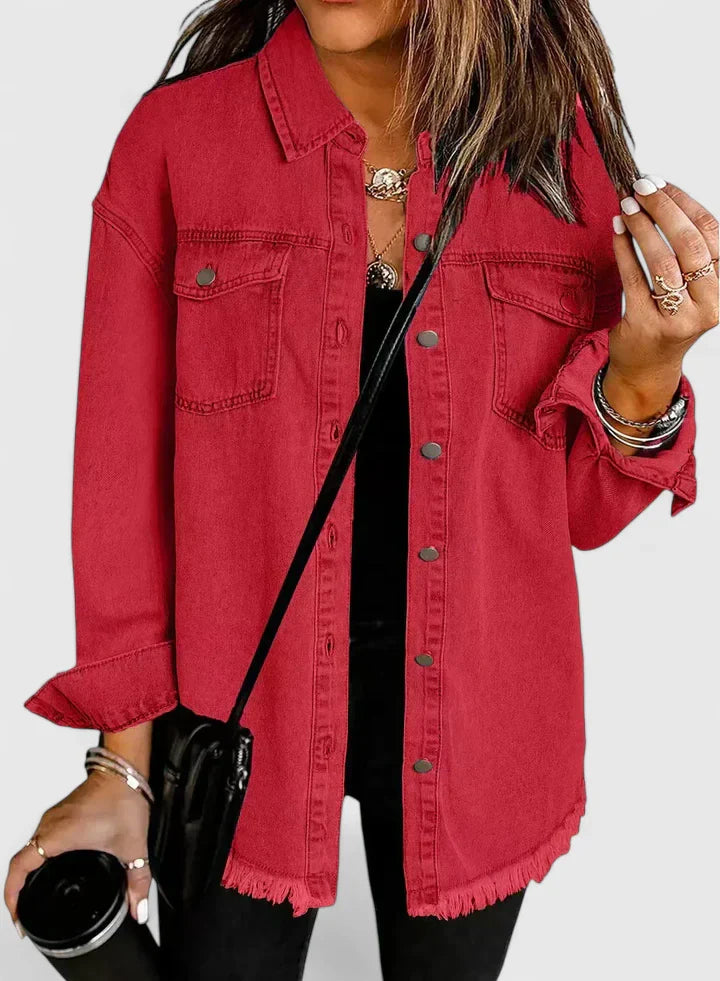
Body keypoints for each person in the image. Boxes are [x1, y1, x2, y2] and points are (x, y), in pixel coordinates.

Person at [5, 1, 717, 979]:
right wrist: (119, 767)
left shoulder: (556, 158)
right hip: (237, 714)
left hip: (485, 727)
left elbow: (584, 517)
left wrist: (650, 365)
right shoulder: (177, 142)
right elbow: (120, 489)